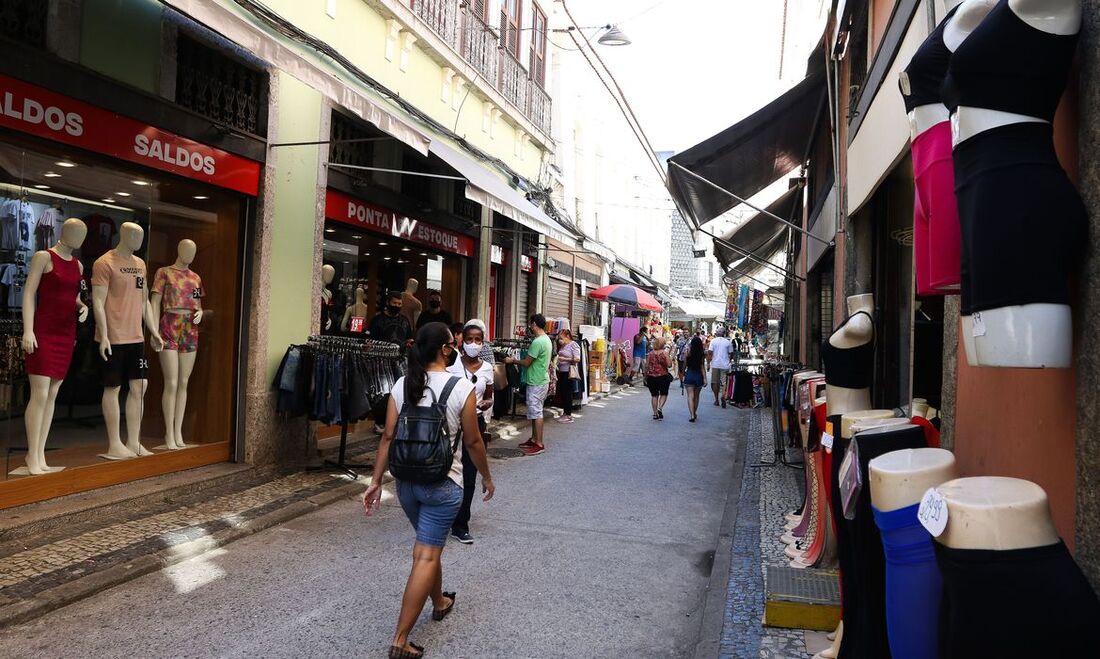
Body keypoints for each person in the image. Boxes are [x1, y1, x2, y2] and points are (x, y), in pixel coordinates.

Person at [363, 322, 495, 659]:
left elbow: (387, 437)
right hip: (443, 485)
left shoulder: (402, 384)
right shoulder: (460, 387)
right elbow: (473, 441)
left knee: (428, 546)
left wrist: (376, 481)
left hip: (406, 484)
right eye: (456, 342)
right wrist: (487, 477)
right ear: (447, 349)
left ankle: (439, 601)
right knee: (426, 554)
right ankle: (400, 639)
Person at [446, 319, 494, 545]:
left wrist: (486, 402)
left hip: (476, 424)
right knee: (447, 470)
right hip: (452, 425)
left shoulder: (487, 368)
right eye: (469, 339)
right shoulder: (451, 365)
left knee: (470, 475)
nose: (473, 343)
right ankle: (443, 515)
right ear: (461, 341)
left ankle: (461, 523)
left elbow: (490, 395)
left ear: (482, 343)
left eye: (478, 340)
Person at [504, 313, 552, 456]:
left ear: (535, 325)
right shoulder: (546, 339)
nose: (530, 327)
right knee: (534, 411)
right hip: (540, 379)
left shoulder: (538, 342)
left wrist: (513, 361)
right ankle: (533, 439)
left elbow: (526, 362)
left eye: (531, 324)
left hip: (537, 381)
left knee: (536, 412)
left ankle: (539, 443)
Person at [554, 328, 581, 424]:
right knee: (563, 392)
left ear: (567, 336)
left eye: (561, 338)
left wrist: (564, 359)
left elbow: (577, 359)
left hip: (568, 372)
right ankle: (565, 413)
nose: (560, 340)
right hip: (561, 371)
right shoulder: (564, 346)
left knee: (567, 393)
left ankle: (569, 415)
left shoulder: (574, 345)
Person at [644, 337, 673, 420]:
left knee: (654, 395)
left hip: (652, 377)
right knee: (664, 394)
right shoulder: (665, 353)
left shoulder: (650, 353)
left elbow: (646, 366)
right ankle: (660, 408)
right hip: (663, 376)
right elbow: (669, 365)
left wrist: (645, 377)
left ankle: (655, 414)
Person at [707, 327, 733, 408]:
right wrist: (729, 360)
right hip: (725, 365)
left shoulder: (713, 341)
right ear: (724, 333)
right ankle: (723, 395)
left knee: (715, 382)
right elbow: (731, 353)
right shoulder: (728, 342)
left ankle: (716, 400)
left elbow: (710, 352)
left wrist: (708, 363)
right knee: (724, 382)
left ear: (717, 333)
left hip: (715, 364)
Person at [683, 336, 706, 423]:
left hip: (689, 374)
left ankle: (692, 414)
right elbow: (702, 367)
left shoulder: (688, 353)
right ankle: (695, 412)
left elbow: (684, 365)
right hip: (698, 376)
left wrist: (682, 373)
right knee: (696, 397)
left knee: (690, 396)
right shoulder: (701, 354)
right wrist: (705, 379)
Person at [674, 330, 690, 394]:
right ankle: (681, 382)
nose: (686, 333)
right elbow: (676, 348)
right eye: (684, 332)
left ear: (689, 333)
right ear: (683, 333)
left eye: (687, 332)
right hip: (681, 357)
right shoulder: (679, 340)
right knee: (680, 370)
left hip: (689, 358)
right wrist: (674, 355)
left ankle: (687, 380)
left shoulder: (691, 340)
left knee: (688, 370)